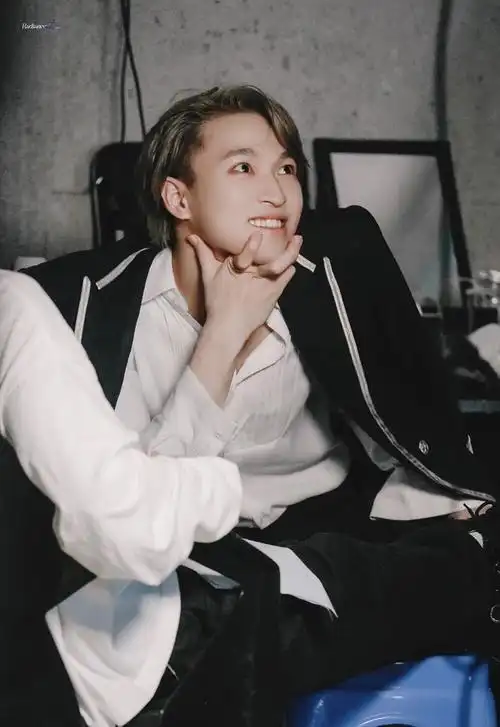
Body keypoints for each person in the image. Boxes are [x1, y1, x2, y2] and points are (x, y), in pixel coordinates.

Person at [0, 85, 499, 727]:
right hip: (172, 562)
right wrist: (224, 333)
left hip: (324, 536)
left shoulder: (339, 270)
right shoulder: (82, 309)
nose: (276, 191)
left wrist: (454, 521)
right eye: (243, 167)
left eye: (286, 168)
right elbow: (134, 513)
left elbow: (407, 433)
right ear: (178, 198)